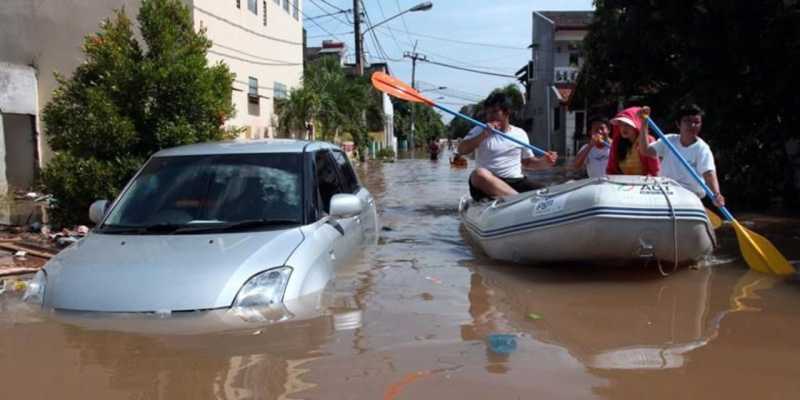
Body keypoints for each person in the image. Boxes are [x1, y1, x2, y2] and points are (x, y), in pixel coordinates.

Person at [457, 92, 558, 201]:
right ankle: (519, 200)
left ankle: (518, 199)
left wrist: (544, 162)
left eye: (495, 112)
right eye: (488, 113)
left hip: (516, 181)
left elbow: (528, 162)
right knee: (478, 174)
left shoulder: (520, 133)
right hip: (487, 183)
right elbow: (461, 150)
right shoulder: (479, 130)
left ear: (507, 112)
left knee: (550, 193)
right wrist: (483, 135)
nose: (490, 117)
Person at [638, 104, 725, 209]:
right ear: (678, 124)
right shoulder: (668, 140)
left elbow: (709, 173)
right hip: (666, 191)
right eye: (687, 121)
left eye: (696, 122)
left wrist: (716, 194)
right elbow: (645, 151)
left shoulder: (702, 148)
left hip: (689, 195)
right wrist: (644, 123)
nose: (692, 125)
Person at [606, 107, 660, 176]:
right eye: (621, 124)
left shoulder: (648, 140)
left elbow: (654, 171)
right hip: (622, 184)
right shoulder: (616, 142)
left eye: (627, 125)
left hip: (645, 184)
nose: (623, 128)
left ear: (636, 124)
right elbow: (611, 170)